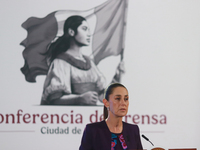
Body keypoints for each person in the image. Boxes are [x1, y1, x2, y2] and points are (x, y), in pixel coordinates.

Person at [40, 15, 107, 105]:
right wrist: (79, 99)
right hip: (70, 116)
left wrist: (117, 75)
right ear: (71, 32)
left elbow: (102, 95)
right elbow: (55, 100)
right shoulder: (60, 62)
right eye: (84, 29)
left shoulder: (89, 62)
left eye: (88, 30)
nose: (89, 34)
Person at [79, 83, 143, 150]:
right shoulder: (92, 130)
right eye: (118, 98)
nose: (123, 103)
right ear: (106, 103)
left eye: (126, 99)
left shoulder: (133, 130)